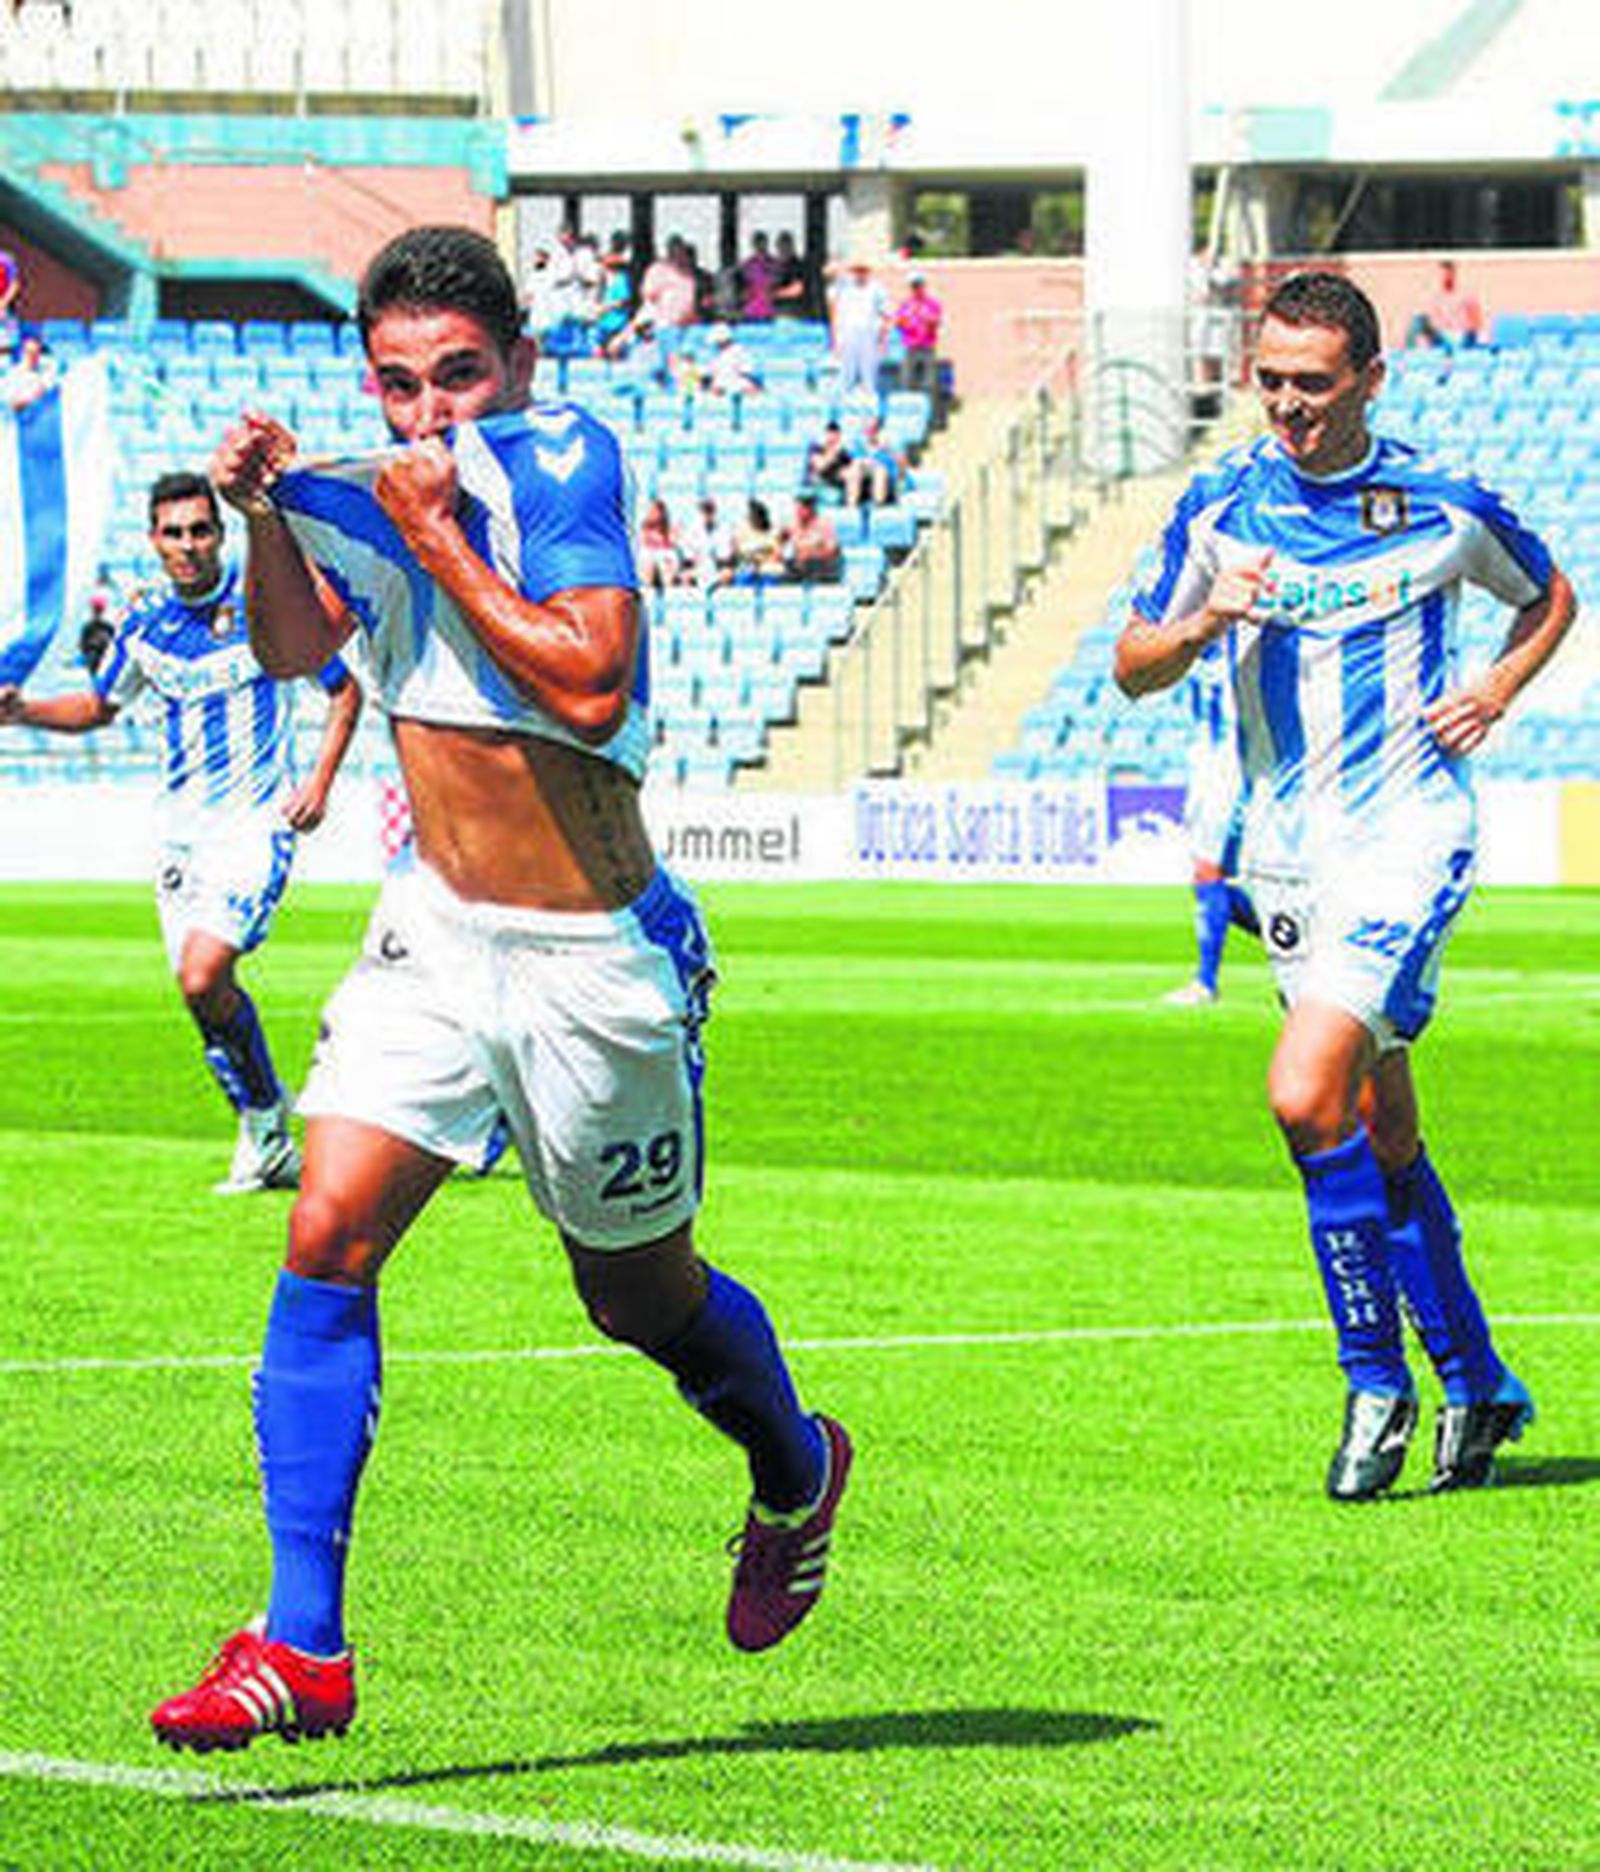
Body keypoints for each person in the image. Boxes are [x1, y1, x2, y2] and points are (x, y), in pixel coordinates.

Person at [149, 224, 852, 1753]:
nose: (428, 413)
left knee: (636, 1298)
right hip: (434, 933)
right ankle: (302, 1642)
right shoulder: (362, 480)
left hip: (596, 958)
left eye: (458, 376)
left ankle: (795, 1467)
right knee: (325, 1231)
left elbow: (591, 679)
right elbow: (289, 648)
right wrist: (271, 511)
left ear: (517, 363)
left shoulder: (562, 460)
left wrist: (436, 532)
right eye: (397, 383)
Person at [1114, 269, 1576, 1502]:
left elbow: (1548, 595)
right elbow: (1131, 666)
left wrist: (1494, 686)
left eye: (1313, 384)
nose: (1288, 406)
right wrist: (1205, 620)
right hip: (1282, 854)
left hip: (1406, 837)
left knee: (1300, 1091)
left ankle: (1376, 1380)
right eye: (1270, 380)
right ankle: (1478, 1386)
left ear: (1369, 380)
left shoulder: (1440, 502)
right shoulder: (1217, 505)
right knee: (1384, 1130)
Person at [0, 471, 362, 1194]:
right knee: (200, 993)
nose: (190, 545)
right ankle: (265, 1132)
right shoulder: (143, 624)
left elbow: (343, 688)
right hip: (179, 838)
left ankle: (267, 1123)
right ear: (154, 541)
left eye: (202, 529)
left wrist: (318, 782)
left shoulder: (265, 608)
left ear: (221, 535)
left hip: (255, 826)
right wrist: (23, 711)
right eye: (175, 532)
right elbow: (102, 707)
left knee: (203, 974)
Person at [1162, 640, 1257, 1008]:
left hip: (1231, 764)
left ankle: (1205, 982)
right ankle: (1299, 945)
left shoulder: (1242, 639)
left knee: (1208, 871)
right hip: (1205, 759)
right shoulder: (1201, 640)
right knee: (1206, 878)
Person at [827, 254, 891, 398]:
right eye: (857, 271)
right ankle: (845, 410)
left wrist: (883, 339)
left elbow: (886, 315)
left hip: (869, 336)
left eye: (863, 271)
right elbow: (829, 272)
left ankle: (870, 411)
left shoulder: (877, 289)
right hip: (847, 335)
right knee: (846, 375)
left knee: (869, 376)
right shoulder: (844, 286)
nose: (860, 274)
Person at [1405, 259, 1485, 352]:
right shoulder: (1437, 298)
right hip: (1444, 337)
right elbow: (1435, 324)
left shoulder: (1466, 297)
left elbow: (1476, 325)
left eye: (1449, 274)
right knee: (1418, 320)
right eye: (1443, 275)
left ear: (1454, 275)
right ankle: (1408, 353)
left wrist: (1463, 330)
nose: (1446, 278)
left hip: (1460, 338)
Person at [892, 269, 943, 404]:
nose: (917, 288)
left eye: (919, 285)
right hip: (910, 346)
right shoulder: (906, 304)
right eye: (914, 286)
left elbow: (936, 322)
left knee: (929, 383)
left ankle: (929, 416)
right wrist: (905, 321)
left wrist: (926, 319)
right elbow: (898, 322)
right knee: (907, 381)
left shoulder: (932, 304)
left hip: (927, 346)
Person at [842, 417, 904, 508]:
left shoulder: (887, 446)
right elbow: (850, 458)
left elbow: (897, 463)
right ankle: (851, 504)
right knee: (856, 466)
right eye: (868, 430)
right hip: (862, 471)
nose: (870, 433)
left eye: (873, 430)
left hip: (881, 470)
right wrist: (864, 460)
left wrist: (884, 450)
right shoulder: (858, 444)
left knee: (880, 471)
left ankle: (878, 504)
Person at [781, 491, 841, 584]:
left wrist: (811, 554)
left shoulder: (824, 525)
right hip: (799, 567)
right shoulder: (792, 525)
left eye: (802, 508)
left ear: (810, 509)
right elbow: (778, 542)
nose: (798, 511)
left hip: (821, 567)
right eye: (797, 508)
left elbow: (833, 551)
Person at [725, 496, 786, 586]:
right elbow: (737, 553)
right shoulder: (742, 531)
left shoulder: (773, 532)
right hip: (747, 569)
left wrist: (761, 561)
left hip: (768, 570)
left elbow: (777, 554)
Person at [636, 494, 684, 591]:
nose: (656, 514)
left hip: (665, 558)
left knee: (666, 563)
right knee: (647, 560)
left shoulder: (669, 529)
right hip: (650, 558)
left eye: (658, 511)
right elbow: (642, 546)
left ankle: (668, 592)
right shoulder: (644, 530)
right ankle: (646, 592)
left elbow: (674, 547)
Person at [805, 419, 852, 496]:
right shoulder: (817, 447)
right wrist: (834, 453)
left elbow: (848, 466)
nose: (834, 438)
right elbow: (821, 467)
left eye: (837, 435)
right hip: (820, 478)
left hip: (835, 478)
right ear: (826, 434)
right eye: (831, 434)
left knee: (851, 474)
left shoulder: (842, 450)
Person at [738, 232, 778, 322]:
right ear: (753, 245)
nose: (760, 246)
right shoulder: (747, 264)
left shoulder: (774, 263)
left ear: (767, 243)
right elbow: (742, 287)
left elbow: (776, 284)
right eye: (757, 243)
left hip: (768, 311)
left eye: (762, 242)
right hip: (751, 311)